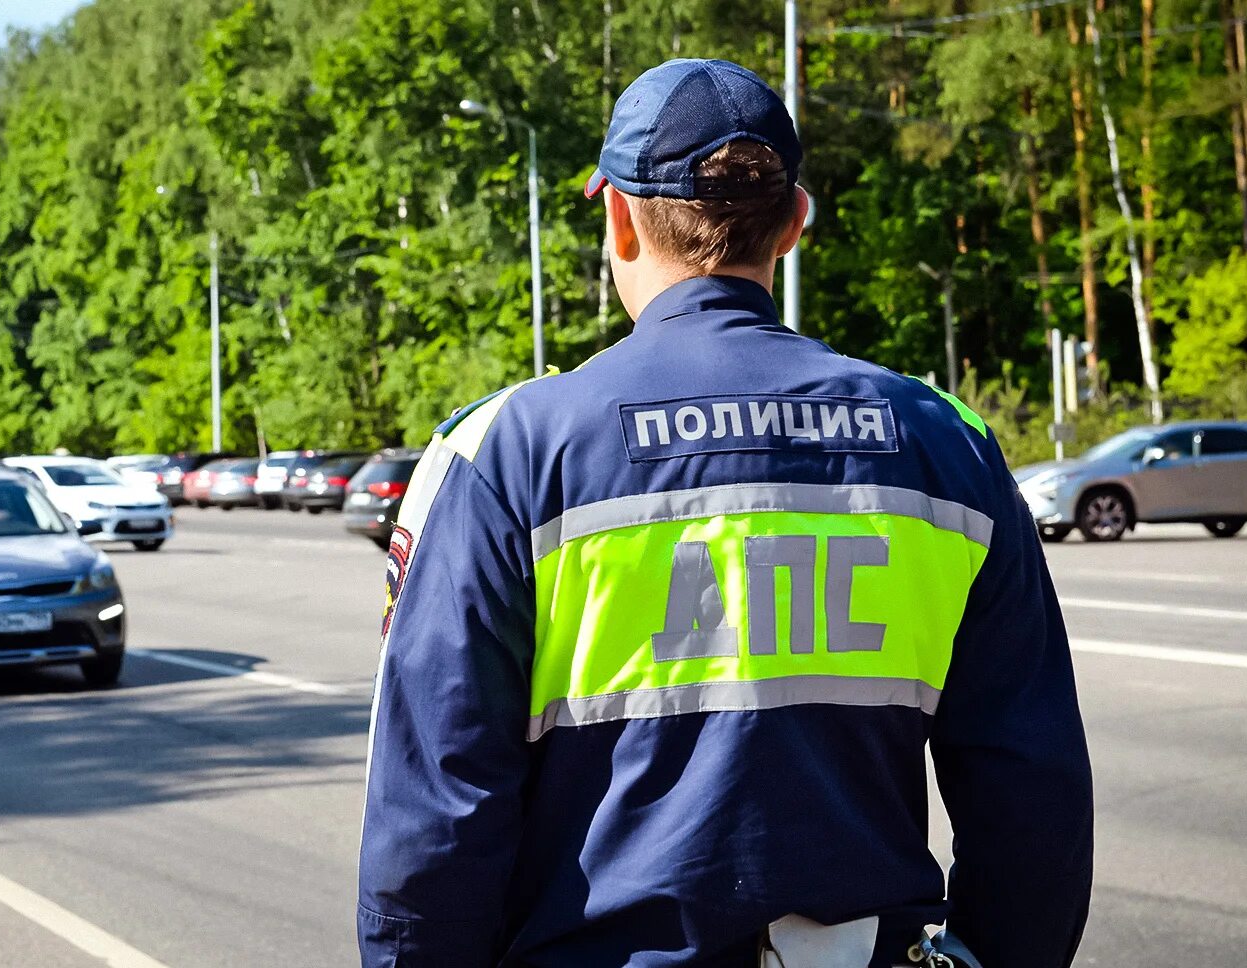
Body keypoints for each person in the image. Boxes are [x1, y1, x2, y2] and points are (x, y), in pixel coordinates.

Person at [357, 58, 1093, 968]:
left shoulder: (505, 454)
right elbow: (1033, 791)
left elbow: (436, 813)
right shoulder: (947, 444)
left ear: (618, 220)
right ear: (790, 224)